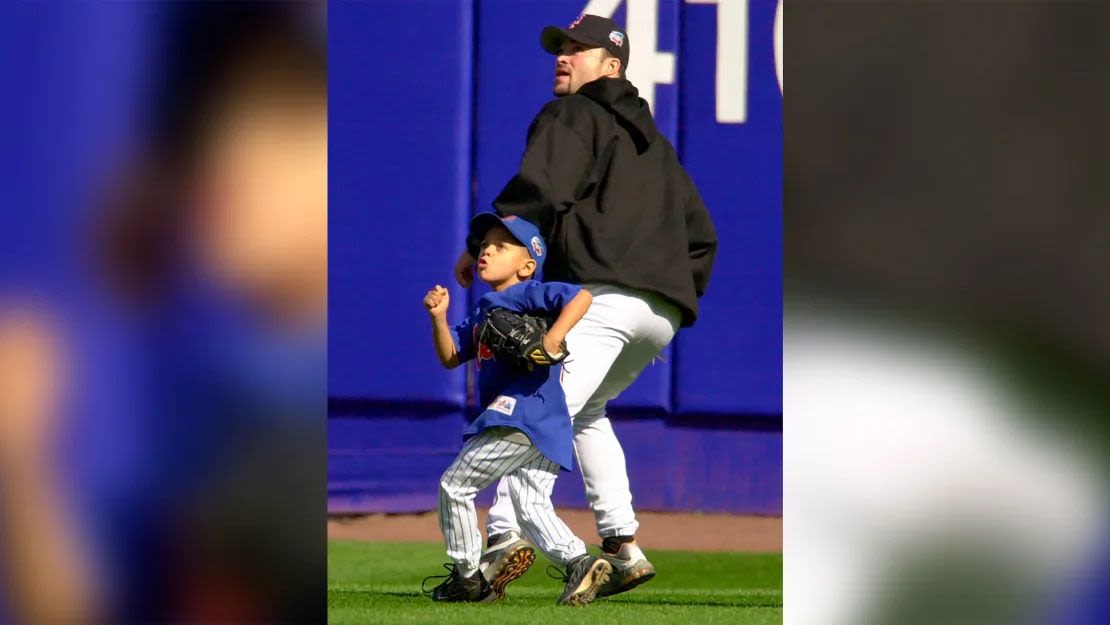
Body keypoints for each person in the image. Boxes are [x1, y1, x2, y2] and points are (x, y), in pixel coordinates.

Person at [455, 14, 718, 598]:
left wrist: (488, 243)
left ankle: (502, 537)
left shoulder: (573, 114)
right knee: (586, 414)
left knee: (534, 412)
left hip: (597, 302)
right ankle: (622, 544)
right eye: (562, 47)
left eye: (580, 49)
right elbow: (701, 236)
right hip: (656, 316)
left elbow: (541, 188)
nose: (565, 56)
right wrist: (670, 301)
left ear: (612, 65)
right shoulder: (658, 148)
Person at [422, 213, 611, 606]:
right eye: (484, 245)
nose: (487, 251)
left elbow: (581, 297)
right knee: (529, 503)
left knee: (454, 485)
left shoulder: (526, 294)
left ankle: (467, 575)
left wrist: (554, 338)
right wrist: (439, 318)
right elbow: (451, 355)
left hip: (520, 414)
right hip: (547, 422)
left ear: (527, 265)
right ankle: (578, 563)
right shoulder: (484, 309)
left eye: (501, 246)